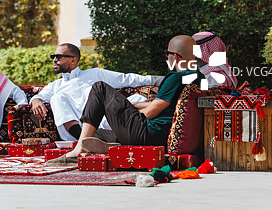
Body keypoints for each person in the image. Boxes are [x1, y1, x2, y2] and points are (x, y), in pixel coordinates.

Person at [48, 35, 203, 164]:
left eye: (166, 53)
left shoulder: (175, 77)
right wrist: (131, 106)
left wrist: (126, 117)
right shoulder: (198, 77)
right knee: (97, 133)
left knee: (99, 88)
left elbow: (151, 112)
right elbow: (164, 104)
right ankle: (107, 146)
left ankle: (79, 149)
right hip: (159, 135)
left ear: (174, 57)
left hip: (148, 134)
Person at [30, 43, 162, 141]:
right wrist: (35, 100)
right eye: (53, 56)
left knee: (135, 99)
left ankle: (100, 139)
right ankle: (85, 139)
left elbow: (127, 79)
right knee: (56, 98)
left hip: (107, 122)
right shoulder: (56, 85)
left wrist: (165, 79)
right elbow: (40, 96)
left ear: (73, 60)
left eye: (58, 57)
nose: (54, 60)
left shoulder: (94, 73)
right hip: (79, 130)